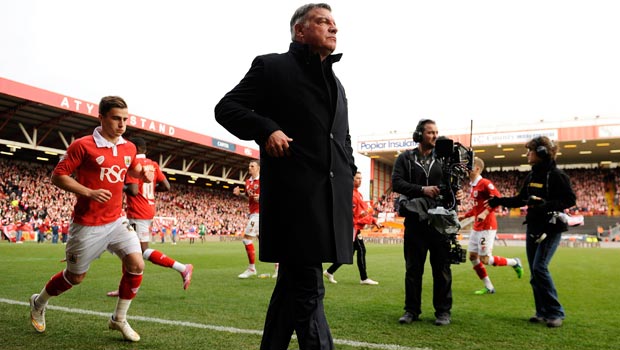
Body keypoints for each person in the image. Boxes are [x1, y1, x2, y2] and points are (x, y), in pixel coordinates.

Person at [215, 3, 356, 349]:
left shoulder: (337, 84)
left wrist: (349, 168)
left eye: (335, 23)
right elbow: (226, 108)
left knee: (291, 290)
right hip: (294, 203)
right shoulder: (272, 66)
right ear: (299, 31)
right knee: (309, 290)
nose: (333, 28)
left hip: (327, 204)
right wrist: (266, 129)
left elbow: (343, 139)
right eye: (323, 22)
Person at [29, 96, 154, 342]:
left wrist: (143, 174)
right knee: (75, 277)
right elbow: (58, 176)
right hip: (87, 224)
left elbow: (129, 171)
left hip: (117, 220)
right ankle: (38, 301)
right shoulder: (82, 146)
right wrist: (88, 192)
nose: (122, 124)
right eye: (116, 118)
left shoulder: (129, 147)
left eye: (125, 119)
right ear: (101, 117)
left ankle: (119, 319)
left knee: (137, 265)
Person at [487, 136, 576, 328]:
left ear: (542, 153)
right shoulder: (531, 176)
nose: (527, 154)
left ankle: (556, 312)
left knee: (539, 268)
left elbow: (570, 200)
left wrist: (546, 205)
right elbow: (521, 199)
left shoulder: (558, 176)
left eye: (530, 150)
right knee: (535, 273)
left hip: (551, 228)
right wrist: (499, 201)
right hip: (533, 227)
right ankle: (542, 312)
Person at [391, 119, 464, 326]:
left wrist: (456, 192)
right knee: (413, 269)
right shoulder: (405, 158)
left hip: (440, 222)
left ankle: (443, 312)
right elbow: (396, 183)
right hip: (415, 221)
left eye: (436, 132)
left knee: (442, 269)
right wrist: (422, 190)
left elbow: (454, 185)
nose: (434, 136)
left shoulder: (447, 158)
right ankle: (411, 310)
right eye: (430, 132)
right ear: (419, 135)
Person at [106, 137, 193, 297]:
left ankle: (182, 268)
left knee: (140, 251)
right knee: (127, 250)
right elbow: (166, 186)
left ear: (136, 149)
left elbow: (132, 190)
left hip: (138, 211)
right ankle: (123, 288)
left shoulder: (135, 166)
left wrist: (118, 185)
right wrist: (151, 189)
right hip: (147, 209)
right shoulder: (153, 165)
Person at [459, 157, 524, 295]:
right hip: (477, 226)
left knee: (485, 259)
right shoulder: (473, 185)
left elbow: (497, 199)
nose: (466, 169)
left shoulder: (485, 183)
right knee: (472, 257)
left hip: (487, 226)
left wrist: (486, 212)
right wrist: (464, 215)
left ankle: (514, 262)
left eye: (469, 166)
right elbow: (477, 209)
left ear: (477, 168)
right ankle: (489, 287)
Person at [323, 171, 381, 285]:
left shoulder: (358, 194)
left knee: (352, 251)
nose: (360, 180)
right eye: (357, 178)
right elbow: (354, 216)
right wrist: (371, 221)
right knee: (359, 250)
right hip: (353, 227)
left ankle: (330, 271)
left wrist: (372, 220)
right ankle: (363, 278)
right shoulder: (351, 195)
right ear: (352, 179)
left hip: (355, 227)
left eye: (361, 178)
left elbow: (362, 213)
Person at [233, 160, 279, 279]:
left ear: (258, 168)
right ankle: (278, 268)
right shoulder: (248, 182)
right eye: (249, 165)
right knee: (267, 242)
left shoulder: (265, 180)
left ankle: (251, 268)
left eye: (252, 166)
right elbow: (249, 198)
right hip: (253, 213)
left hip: (261, 213)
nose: (250, 167)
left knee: (246, 239)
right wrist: (240, 194)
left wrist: (263, 198)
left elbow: (274, 195)